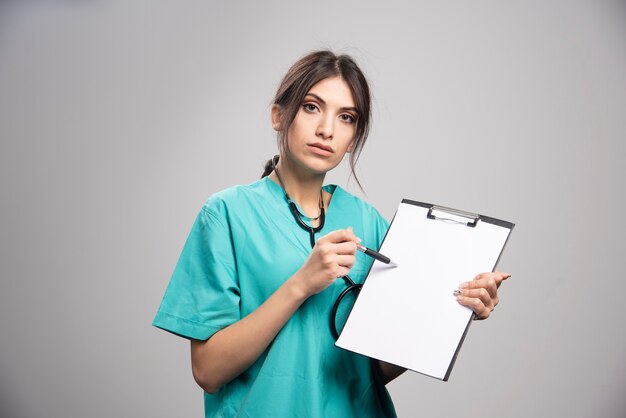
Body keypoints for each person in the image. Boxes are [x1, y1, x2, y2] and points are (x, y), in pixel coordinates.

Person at [152, 50, 510, 418]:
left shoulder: (368, 222)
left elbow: (375, 371)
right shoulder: (226, 215)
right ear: (279, 116)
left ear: (354, 137)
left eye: (346, 117)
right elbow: (209, 371)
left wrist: (453, 310)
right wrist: (301, 284)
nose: (327, 129)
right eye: (311, 107)